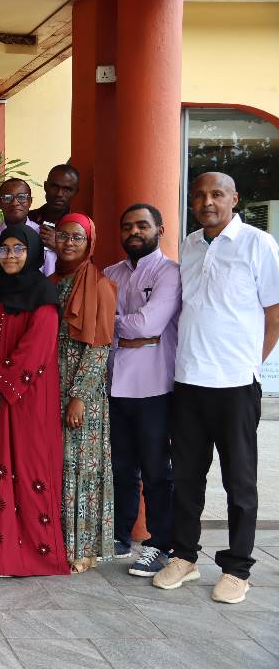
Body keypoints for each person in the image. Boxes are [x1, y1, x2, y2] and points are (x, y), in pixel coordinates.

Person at [154, 172, 279, 604]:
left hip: (235, 385)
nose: (208, 202)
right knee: (186, 476)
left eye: (217, 194)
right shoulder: (189, 245)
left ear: (234, 198)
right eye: (200, 195)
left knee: (239, 481)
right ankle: (184, 556)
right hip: (188, 380)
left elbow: (274, 315)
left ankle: (237, 568)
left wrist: (250, 366)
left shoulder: (258, 245)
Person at [0, 225, 68, 577]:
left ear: (33, 252)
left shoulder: (43, 295)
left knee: (24, 470)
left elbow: (35, 350)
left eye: (18, 249)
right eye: (4, 249)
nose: (10, 256)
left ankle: (22, 557)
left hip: (25, 401)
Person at [103, 204, 180, 576]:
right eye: (128, 225)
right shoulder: (110, 273)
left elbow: (150, 323)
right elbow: (97, 323)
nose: (134, 231)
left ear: (159, 229)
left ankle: (160, 543)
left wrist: (116, 324)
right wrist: (128, 329)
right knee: (120, 467)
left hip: (154, 387)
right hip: (116, 385)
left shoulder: (170, 274)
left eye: (142, 225)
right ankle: (119, 536)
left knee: (155, 470)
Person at [50, 212, 116, 574]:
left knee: (80, 469)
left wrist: (79, 395)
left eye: (77, 237)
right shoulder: (50, 281)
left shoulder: (100, 284)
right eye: (63, 236)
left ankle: (82, 548)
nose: (69, 242)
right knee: (56, 466)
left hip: (81, 389)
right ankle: (56, 541)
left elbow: (99, 347)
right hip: (49, 386)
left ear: (89, 242)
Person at [0, 178, 55, 275]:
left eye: (22, 197)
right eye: (7, 198)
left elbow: (50, 274)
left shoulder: (44, 236)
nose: (15, 203)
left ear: (30, 201)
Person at [29, 164, 79, 251]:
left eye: (66, 189)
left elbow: (83, 262)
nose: (59, 194)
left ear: (75, 192)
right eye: (54, 187)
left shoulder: (79, 227)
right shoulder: (29, 218)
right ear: (45, 187)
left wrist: (59, 245)